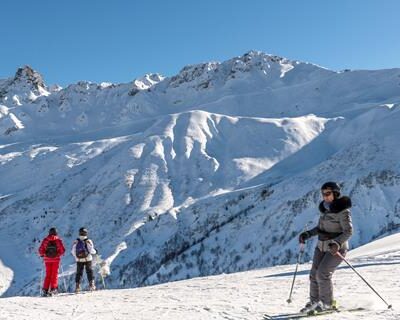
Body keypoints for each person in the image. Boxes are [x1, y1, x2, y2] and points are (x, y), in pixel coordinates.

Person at [298, 182, 353, 313]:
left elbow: (348, 231)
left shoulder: (343, 211)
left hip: (336, 249)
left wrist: (337, 243)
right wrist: (308, 234)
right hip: (321, 246)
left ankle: (327, 304)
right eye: (323, 194)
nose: (325, 196)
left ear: (335, 193)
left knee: (322, 274)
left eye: (328, 193)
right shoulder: (325, 209)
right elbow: (320, 228)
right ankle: (314, 302)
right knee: (313, 275)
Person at [38, 227, 66, 296]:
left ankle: (45, 290)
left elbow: (40, 250)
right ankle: (53, 289)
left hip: (47, 260)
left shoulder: (45, 240)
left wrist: (43, 255)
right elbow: (62, 250)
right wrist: (59, 254)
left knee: (48, 275)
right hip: (56, 260)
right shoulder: (58, 240)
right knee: (54, 274)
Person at [71, 227, 98, 293]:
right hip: (88, 259)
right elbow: (91, 250)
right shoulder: (88, 241)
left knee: (79, 273)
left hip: (79, 260)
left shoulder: (76, 241)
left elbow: (73, 251)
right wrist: (96, 252)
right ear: (86, 233)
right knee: (89, 271)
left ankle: (77, 287)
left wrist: (77, 257)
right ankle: (91, 285)